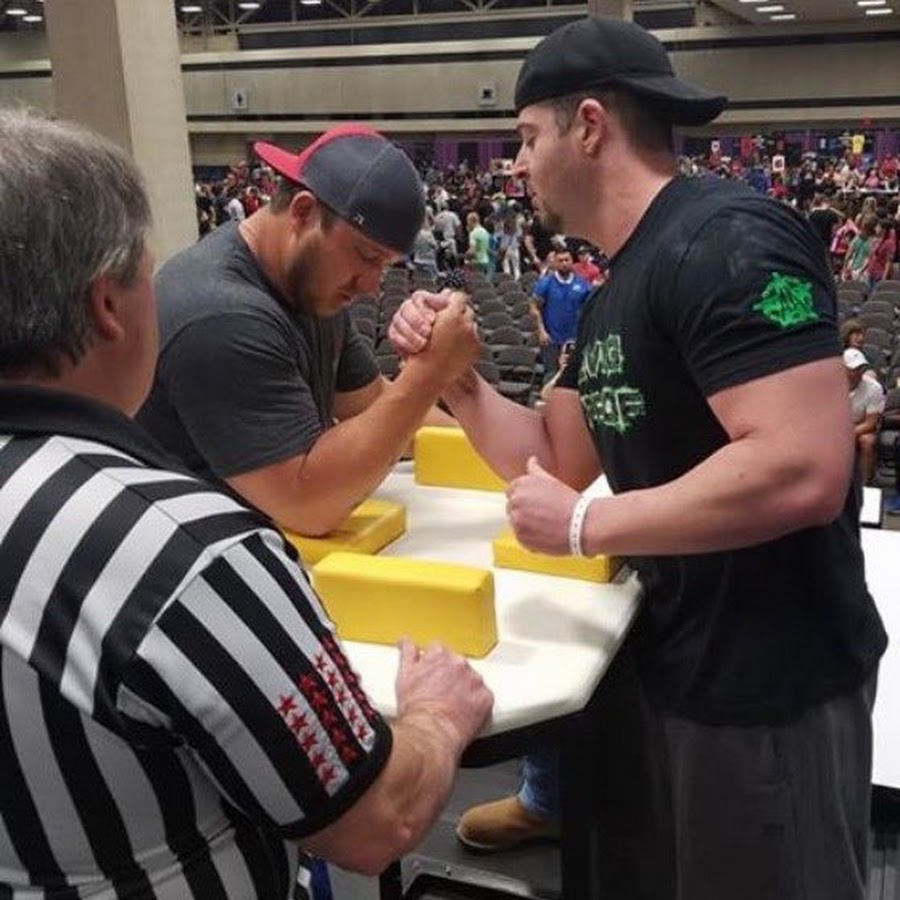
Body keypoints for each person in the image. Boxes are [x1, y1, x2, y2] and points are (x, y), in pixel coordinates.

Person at [389, 16, 886, 900]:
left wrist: (588, 525)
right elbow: (554, 459)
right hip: (670, 663)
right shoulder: (615, 287)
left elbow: (804, 466)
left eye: (527, 137)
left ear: (588, 126)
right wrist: (453, 380)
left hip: (768, 684)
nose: (516, 163)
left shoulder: (728, 240)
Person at [0, 107, 493, 900]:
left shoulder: (308, 293)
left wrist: (481, 413)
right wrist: (435, 717)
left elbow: (376, 414)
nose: (374, 283)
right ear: (107, 307)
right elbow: (375, 821)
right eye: (146, 273)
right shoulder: (193, 549)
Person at [138, 125, 458, 538]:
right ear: (303, 212)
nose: (371, 286)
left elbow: (372, 404)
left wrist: (502, 460)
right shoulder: (220, 313)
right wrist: (429, 373)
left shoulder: (309, 283)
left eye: (385, 266)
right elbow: (309, 509)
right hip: (196, 561)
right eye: (367, 256)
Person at [529, 248, 592, 383]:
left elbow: (590, 310)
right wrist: (541, 331)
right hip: (551, 339)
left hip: (574, 340)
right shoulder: (545, 283)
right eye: (560, 260)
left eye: (566, 260)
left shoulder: (583, 284)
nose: (564, 263)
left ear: (572, 261)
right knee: (551, 375)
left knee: (574, 376)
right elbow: (534, 308)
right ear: (555, 263)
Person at [845, 347, 885, 485]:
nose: (859, 372)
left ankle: (865, 483)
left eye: (861, 368)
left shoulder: (874, 388)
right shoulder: (829, 385)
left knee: (867, 442)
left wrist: (847, 434)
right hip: (837, 425)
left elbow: (870, 423)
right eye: (854, 369)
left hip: (863, 426)